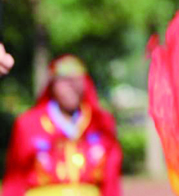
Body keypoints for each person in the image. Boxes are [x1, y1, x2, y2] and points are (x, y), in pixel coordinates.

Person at [3, 55, 122, 196]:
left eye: (77, 81)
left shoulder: (101, 122)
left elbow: (111, 181)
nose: (71, 87)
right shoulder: (28, 124)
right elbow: (14, 180)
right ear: (52, 85)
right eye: (64, 81)